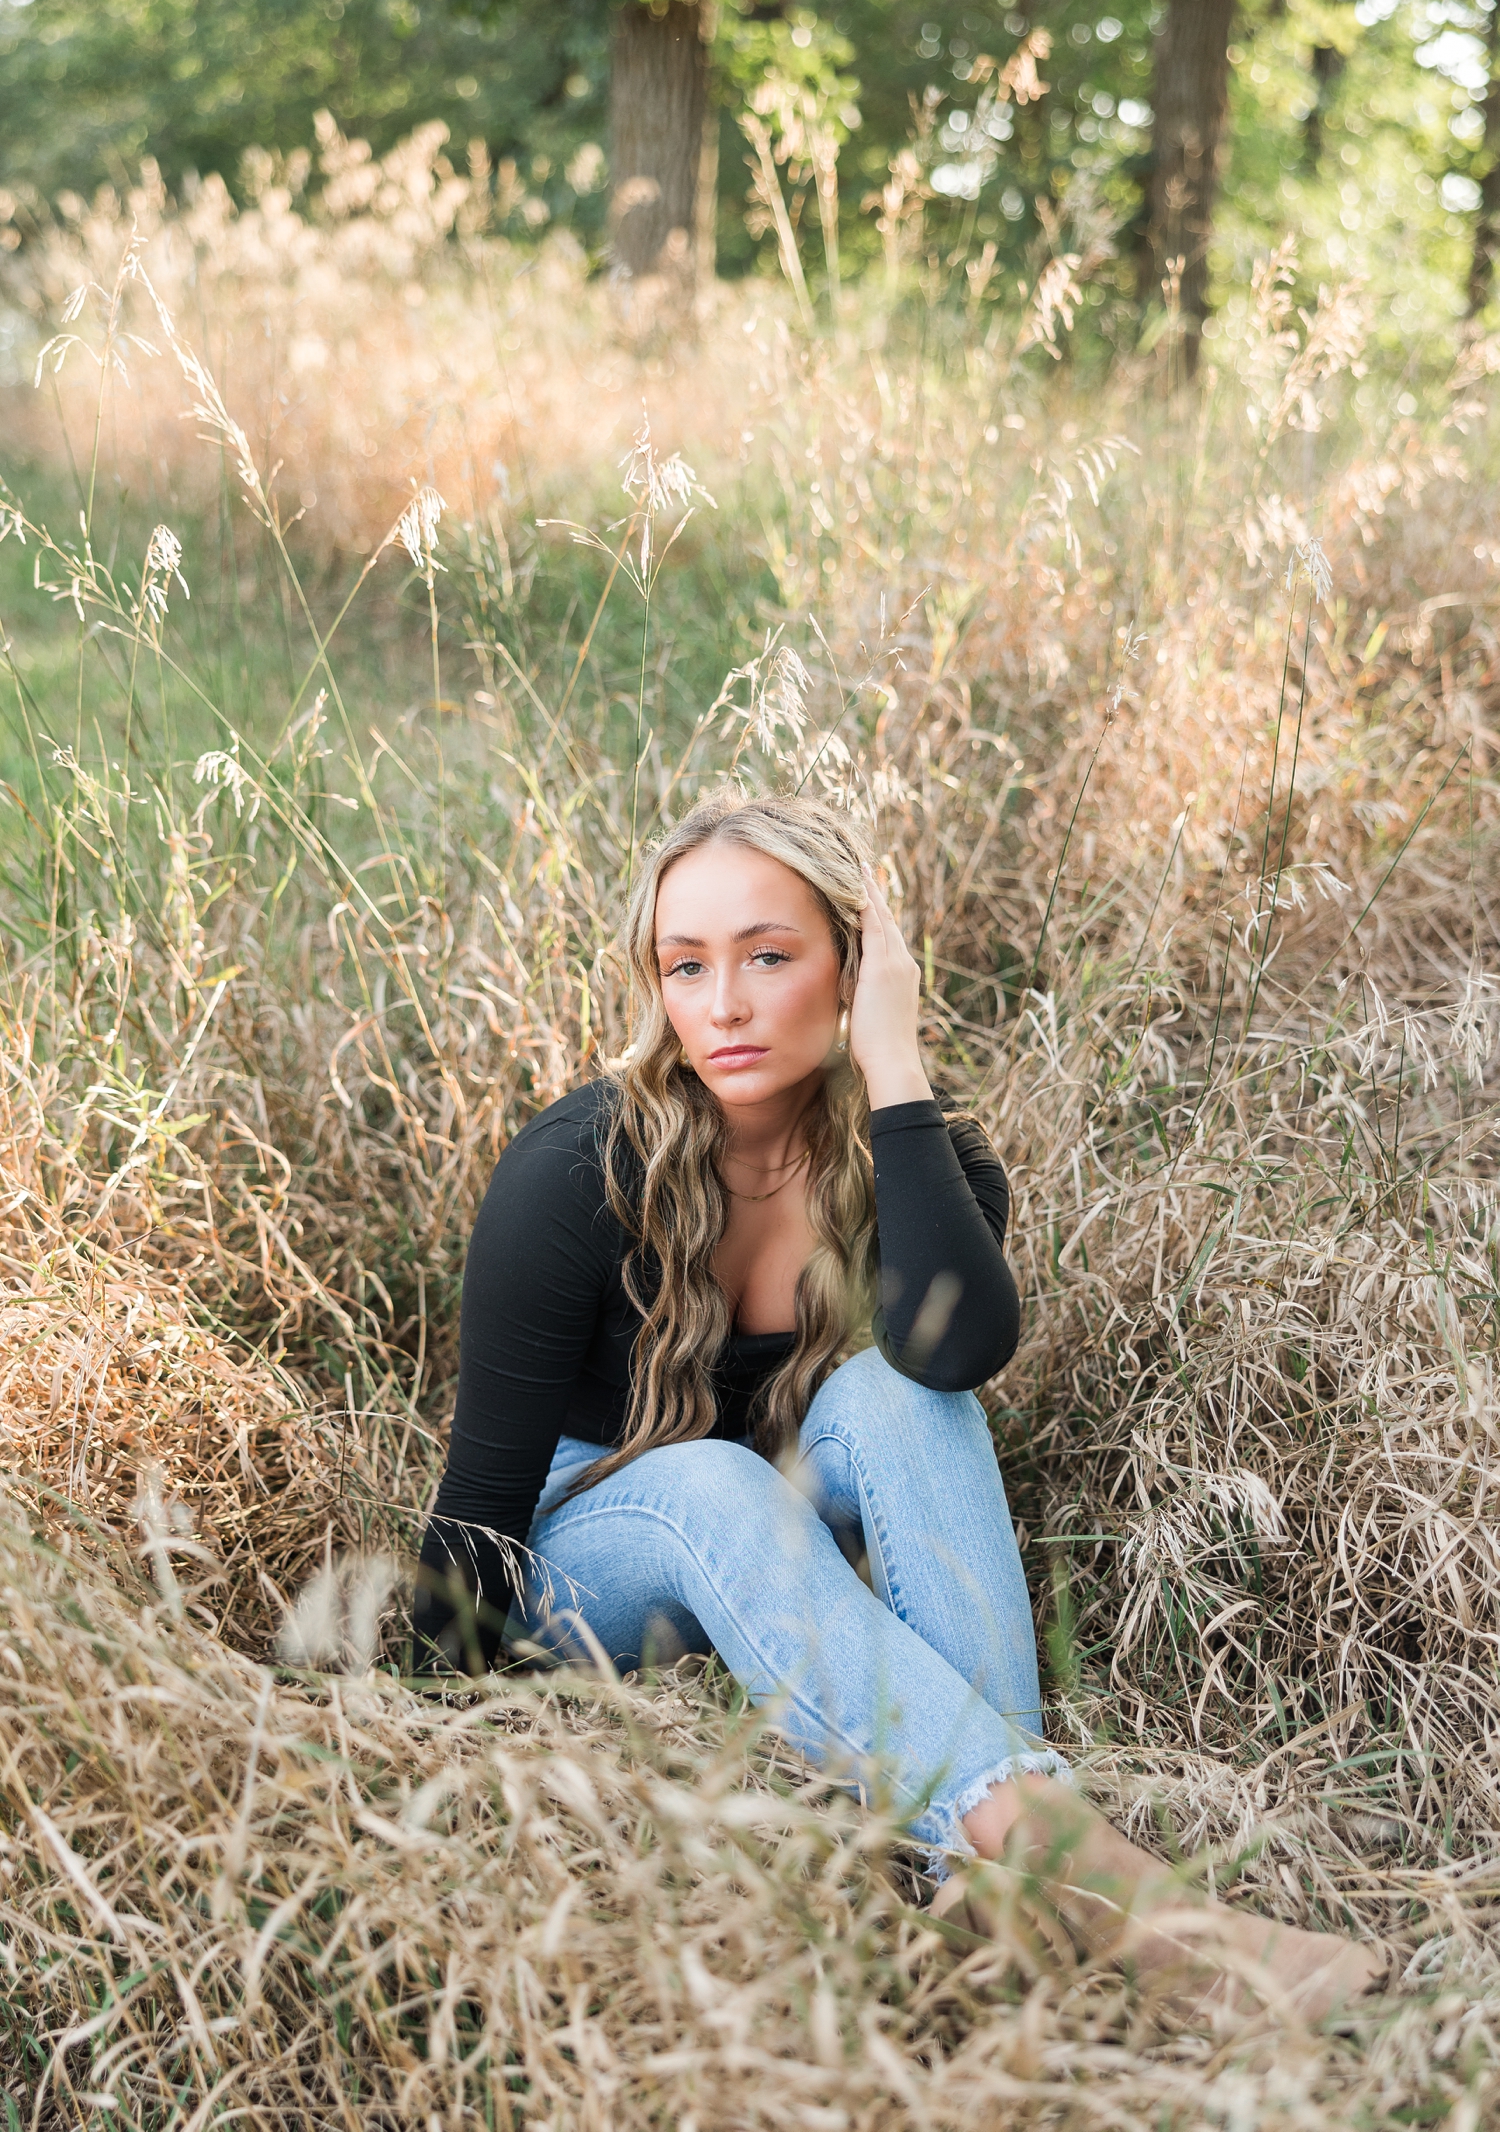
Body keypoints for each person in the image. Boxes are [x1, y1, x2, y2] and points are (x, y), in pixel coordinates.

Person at [412, 790, 1382, 2019]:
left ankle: (983, 1883)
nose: (725, 1004)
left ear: (854, 963)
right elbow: (475, 1523)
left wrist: (896, 1067)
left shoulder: (913, 1150)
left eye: (770, 955)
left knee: (902, 1391)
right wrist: (424, 1766)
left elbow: (961, 1348)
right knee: (717, 1478)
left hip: (769, 1541)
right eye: (686, 966)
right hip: (583, 1553)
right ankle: (1130, 1905)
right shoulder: (574, 1170)